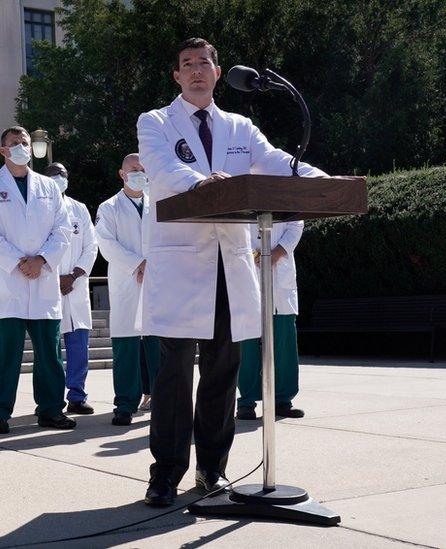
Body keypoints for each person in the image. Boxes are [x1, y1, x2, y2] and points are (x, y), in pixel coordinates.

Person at [136, 38, 327, 506]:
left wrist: (321, 181)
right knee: (175, 375)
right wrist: (202, 181)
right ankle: (165, 472)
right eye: (187, 65)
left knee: (223, 371)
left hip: (229, 264)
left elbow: (280, 162)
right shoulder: (156, 122)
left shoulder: (241, 127)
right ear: (177, 77)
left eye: (205, 63)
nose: (197, 71)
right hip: (182, 262)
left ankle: (212, 470)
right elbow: (162, 171)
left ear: (218, 73)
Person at [0, 126, 74, 434]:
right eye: (14, 143)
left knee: (50, 356)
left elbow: (63, 229)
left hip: (43, 281)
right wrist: (19, 263)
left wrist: (41, 260)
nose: (20, 147)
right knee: (4, 355)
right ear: (3, 150)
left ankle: (52, 410)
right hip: (9, 284)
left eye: (25, 142)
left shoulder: (49, 187)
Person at [94, 154, 160, 426]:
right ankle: (125, 403)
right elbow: (106, 243)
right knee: (126, 345)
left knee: (157, 343)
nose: (139, 174)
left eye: (143, 170)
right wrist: (137, 264)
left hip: (156, 281)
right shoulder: (109, 207)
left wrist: (153, 264)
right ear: (122, 174)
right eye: (134, 170)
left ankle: (160, 397)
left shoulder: (157, 204)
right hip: (127, 280)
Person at [43, 162, 98, 416]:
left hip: (75, 287)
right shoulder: (38, 208)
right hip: (48, 284)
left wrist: (74, 275)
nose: (58, 178)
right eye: (53, 174)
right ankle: (51, 398)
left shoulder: (80, 209)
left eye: (62, 174)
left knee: (78, 345)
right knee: (50, 348)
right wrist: (55, 276)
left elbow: (91, 246)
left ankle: (77, 395)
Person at [237, 221, 305, 420]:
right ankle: (246, 401)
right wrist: (251, 254)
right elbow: (236, 229)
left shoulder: (289, 193)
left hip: (280, 274)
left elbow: (296, 225)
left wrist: (277, 252)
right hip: (250, 268)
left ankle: (283, 400)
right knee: (248, 343)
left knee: (284, 343)